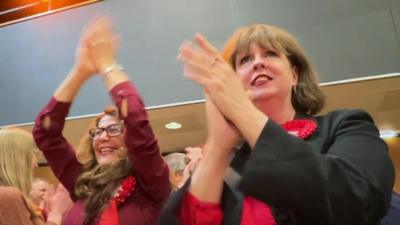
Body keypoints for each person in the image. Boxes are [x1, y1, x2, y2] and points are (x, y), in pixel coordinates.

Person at [158, 24, 395, 225]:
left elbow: (358, 199)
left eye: (270, 54)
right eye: (245, 60)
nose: (257, 63)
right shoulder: (229, 160)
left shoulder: (346, 125)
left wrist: (242, 112)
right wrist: (218, 146)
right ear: (236, 82)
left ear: (294, 74)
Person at [32, 17, 170, 225]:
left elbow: (134, 117)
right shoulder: (82, 182)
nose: (103, 137)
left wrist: (107, 65)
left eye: (114, 129)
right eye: (98, 131)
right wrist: (79, 72)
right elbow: (45, 133)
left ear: (130, 139)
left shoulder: (151, 181)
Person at [0, 128, 69, 225]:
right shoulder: (7, 196)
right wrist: (56, 213)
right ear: (17, 159)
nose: (36, 164)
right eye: (34, 154)